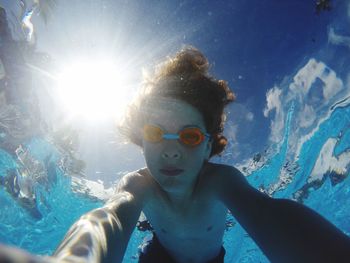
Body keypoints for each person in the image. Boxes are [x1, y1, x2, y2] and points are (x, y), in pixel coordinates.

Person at [1, 47, 350, 263]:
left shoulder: (220, 182)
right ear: (142, 140)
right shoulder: (140, 185)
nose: (170, 149)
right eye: (155, 133)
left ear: (208, 147)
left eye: (189, 136)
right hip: (157, 258)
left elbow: (266, 213)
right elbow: (112, 216)